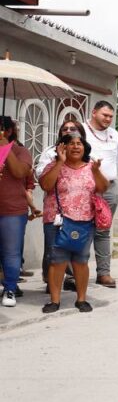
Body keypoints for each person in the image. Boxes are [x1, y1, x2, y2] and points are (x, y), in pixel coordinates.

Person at [38, 128, 109, 313]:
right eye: (71, 143)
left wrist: (97, 172)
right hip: (57, 221)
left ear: (85, 148)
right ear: (63, 147)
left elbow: (102, 188)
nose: (76, 146)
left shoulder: (91, 167)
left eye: (79, 143)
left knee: (80, 260)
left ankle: (81, 299)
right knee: (57, 261)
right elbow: (46, 186)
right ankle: (54, 300)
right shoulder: (53, 165)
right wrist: (59, 163)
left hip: (85, 220)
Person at [36, 118, 83, 292]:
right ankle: (51, 280)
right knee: (53, 247)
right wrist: (59, 161)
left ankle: (70, 278)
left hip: (79, 210)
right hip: (55, 208)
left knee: (74, 245)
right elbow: (42, 178)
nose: (69, 131)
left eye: (73, 128)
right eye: (65, 128)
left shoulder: (85, 152)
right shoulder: (49, 152)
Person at [82, 100, 118, 289]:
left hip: (109, 188)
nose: (108, 119)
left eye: (110, 116)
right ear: (93, 112)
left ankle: (103, 273)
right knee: (80, 230)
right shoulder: (80, 130)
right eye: (104, 115)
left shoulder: (114, 135)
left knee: (103, 231)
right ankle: (74, 274)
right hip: (84, 188)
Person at [1, 116, 33, 307]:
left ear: (9, 131)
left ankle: (10, 288)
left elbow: (20, 172)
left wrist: (6, 148)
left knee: (11, 252)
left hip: (12, 210)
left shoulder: (21, 151)